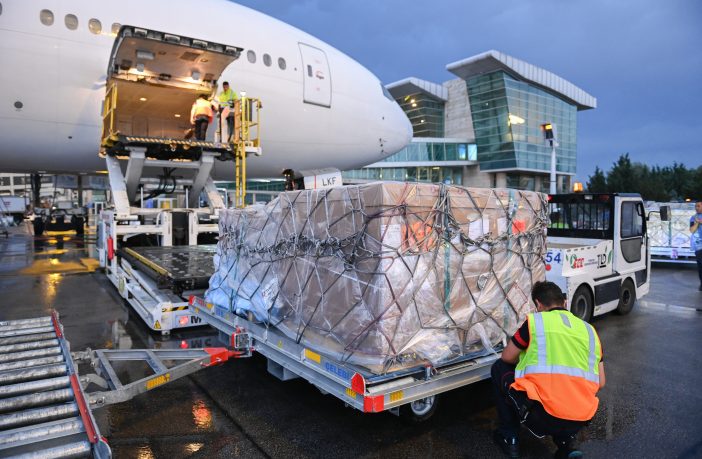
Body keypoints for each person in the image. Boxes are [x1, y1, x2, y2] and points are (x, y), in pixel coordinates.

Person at [491, 281, 605, 459]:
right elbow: (601, 382)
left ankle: (509, 436)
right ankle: (567, 445)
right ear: (564, 302)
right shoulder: (590, 331)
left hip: (543, 417)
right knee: (567, 397)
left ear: (538, 304)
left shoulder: (535, 323)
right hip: (582, 417)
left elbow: (507, 357)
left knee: (499, 368)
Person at [689, 200, 702, 291]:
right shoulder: (693, 218)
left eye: (698, 206)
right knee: (700, 267)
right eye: (696, 206)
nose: (696, 208)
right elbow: (692, 230)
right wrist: (697, 222)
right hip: (698, 246)